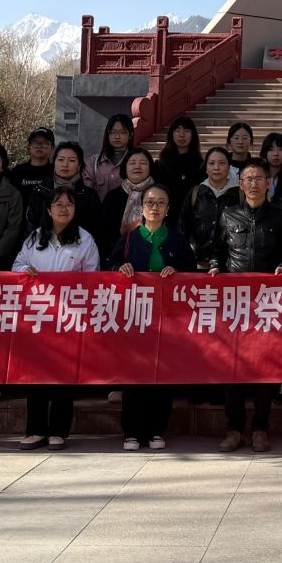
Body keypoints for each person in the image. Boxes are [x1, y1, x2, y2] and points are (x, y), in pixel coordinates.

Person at [210, 159, 282, 452]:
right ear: (240, 184)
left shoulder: (281, 216)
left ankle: (261, 428)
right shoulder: (228, 215)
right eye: (248, 179)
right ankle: (234, 429)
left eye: (259, 178)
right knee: (233, 369)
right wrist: (214, 266)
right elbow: (217, 250)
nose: (253, 184)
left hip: (267, 303)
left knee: (265, 367)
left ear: (268, 183)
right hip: (236, 303)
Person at [13, 186, 102, 448]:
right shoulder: (35, 237)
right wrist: (25, 269)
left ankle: (58, 431)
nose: (64, 209)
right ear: (49, 210)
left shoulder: (85, 240)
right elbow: (17, 265)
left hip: (69, 316)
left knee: (63, 375)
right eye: (58, 204)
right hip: (39, 315)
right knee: (36, 375)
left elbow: (93, 276)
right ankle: (35, 430)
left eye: (69, 205)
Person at [113, 185, 193, 451]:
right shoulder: (130, 238)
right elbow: (110, 265)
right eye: (150, 202)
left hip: (168, 319)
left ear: (168, 209)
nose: (155, 207)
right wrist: (120, 267)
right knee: (134, 376)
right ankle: (132, 432)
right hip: (135, 317)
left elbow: (192, 272)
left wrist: (177, 271)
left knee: (162, 375)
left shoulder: (177, 240)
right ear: (142, 207)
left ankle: (157, 430)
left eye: (160, 203)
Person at [101, 147, 157, 247]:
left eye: (143, 163)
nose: (137, 166)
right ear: (125, 167)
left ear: (150, 167)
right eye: (132, 163)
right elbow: (104, 231)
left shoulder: (159, 194)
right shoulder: (113, 196)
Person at [151, 116, 205, 215]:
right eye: (177, 130)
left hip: (190, 215)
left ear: (193, 135)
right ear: (171, 134)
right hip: (164, 214)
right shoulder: (161, 163)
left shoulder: (200, 164)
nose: (182, 135)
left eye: (187, 131)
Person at [89, 113, 134, 200]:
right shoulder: (94, 162)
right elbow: (88, 190)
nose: (117, 137)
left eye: (122, 132)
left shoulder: (135, 162)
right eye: (113, 132)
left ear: (130, 135)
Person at [8, 127, 55, 207]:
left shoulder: (55, 171)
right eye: (35, 143)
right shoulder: (18, 171)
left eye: (44, 143)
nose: (39, 146)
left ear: (52, 147)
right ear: (29, 146)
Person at [258, 131, 282, 198]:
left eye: (280, 149)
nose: (276, 154)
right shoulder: (258, 176)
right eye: (271, 150)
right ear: (265, 152)